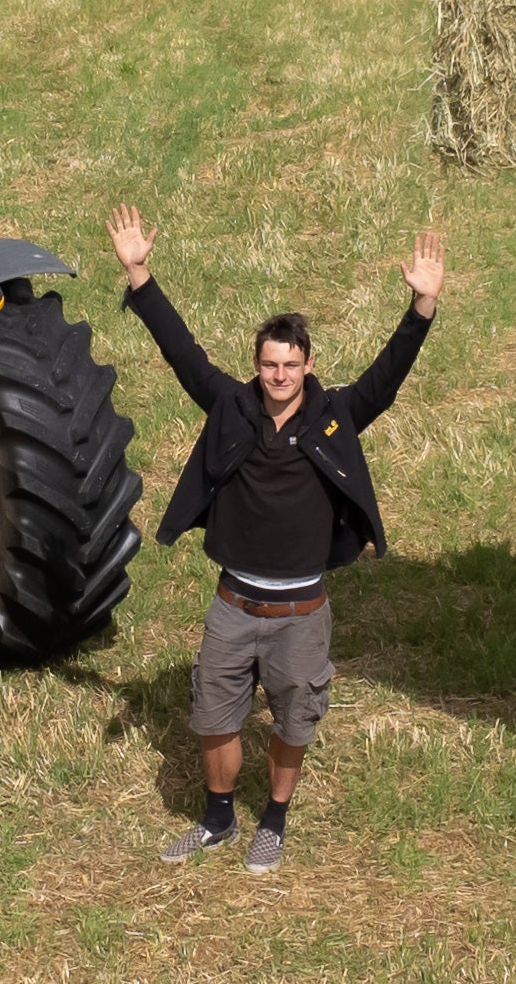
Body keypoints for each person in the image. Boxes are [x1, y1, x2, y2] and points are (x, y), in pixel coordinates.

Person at [108, 204, 446, 874]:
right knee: (213, 718)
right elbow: (182, 352)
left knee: (294, 724)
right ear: (257, 366)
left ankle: (276, 822)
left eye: (290, 364)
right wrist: (139, 274)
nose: (279, 375)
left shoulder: (336, 416)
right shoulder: (231, 406)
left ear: (308, 365)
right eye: (269, 364)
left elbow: (389, 376)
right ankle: (217, 820)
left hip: (301, 614)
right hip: (234, 605)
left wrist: (422, 308)